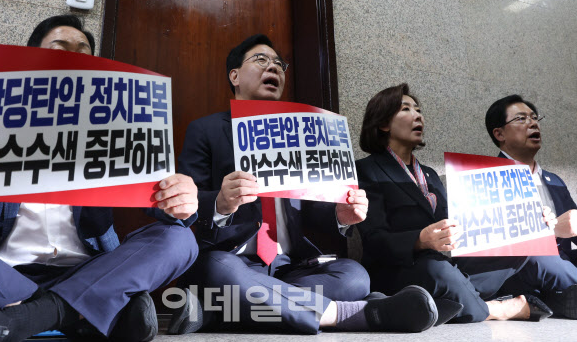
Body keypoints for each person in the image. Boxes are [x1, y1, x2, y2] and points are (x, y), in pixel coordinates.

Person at [0, 15, 199, 342]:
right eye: (60, 50)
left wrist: (181, 200)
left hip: (88, 270)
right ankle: (84, 312)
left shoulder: (118, 125)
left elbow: (160, 200)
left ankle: (21, 319)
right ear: (32, 60)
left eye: (83, 53)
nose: (74, 59)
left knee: (179, 240)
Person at [170, 35, 438, 335]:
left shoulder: (300, 134)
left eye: (278, 63)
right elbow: (185, 204)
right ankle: (352, 314)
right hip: (232, 259)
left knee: (354, 277)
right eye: (261, 60)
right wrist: (221, 203)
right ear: (234, 76)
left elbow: (310, 211)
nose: (273, 67)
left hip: (290, 269)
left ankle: (222, 310)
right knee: (218, 270)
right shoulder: (205, 129)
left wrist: (340, 216)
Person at [356, 83, 577, 323]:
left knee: (528, 249)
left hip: (451, 266)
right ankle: (495, 309)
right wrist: (420, 240)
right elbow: (374, 241)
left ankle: (469, 303)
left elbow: (465, 229)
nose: (418, 115)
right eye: (406, 109)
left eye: (418, 110)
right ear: (383, 123)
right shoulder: (367, 170)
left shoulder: (430, 175)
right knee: (439, 270)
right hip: (402, 270)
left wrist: (532, 225)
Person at [486, 95, 577, 266]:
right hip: (521, 271)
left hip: (567, 267)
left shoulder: (555, 180)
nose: (533, 123)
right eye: (521, 119)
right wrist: (550, 230)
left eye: (535, 118)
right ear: (499, 133)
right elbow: (491, 242)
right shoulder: (486, 180)